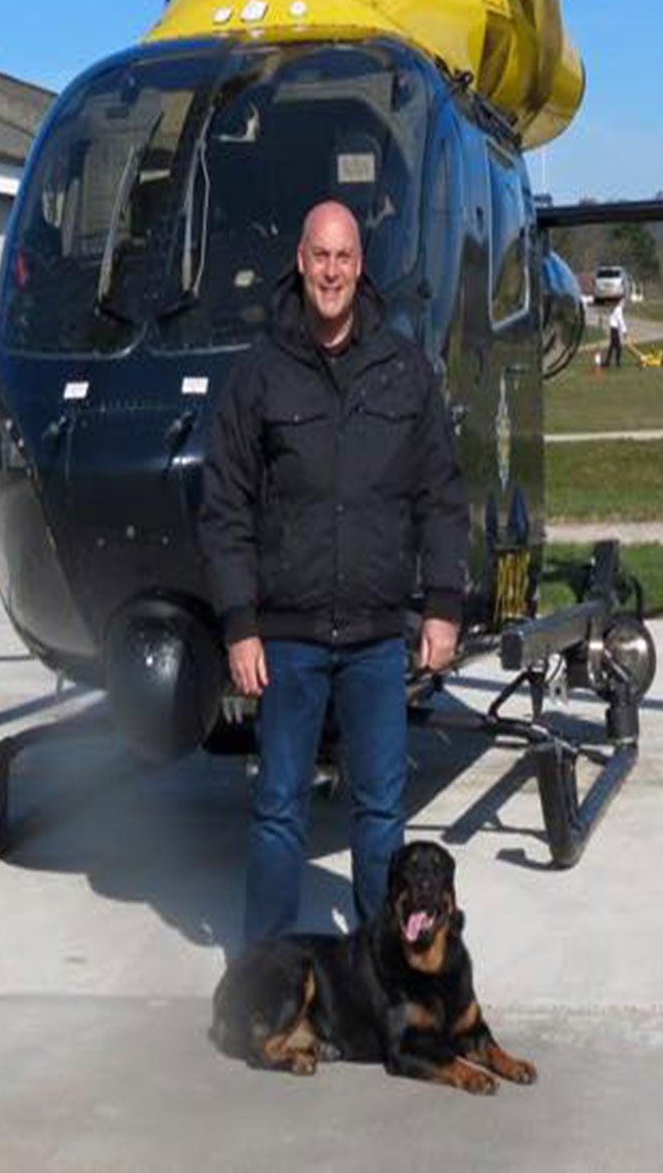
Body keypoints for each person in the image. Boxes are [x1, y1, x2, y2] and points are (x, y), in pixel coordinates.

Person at [198, 199, 468, 946]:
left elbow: (442, 495)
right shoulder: (260, 375)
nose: (332, 271)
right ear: (300, 261)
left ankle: (385, 965)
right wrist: (239, 624)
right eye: (320, 255)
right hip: (288, 640)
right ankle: (264, 970)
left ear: (360, 266)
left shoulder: (405, 370)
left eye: (344, 257)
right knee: (280, 806)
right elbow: (224, 506)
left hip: (379, 639)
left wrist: (444, 604)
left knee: (381, 808)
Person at [604, 291, 627, 369]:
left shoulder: (616, 308)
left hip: (613, 329)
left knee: (612, 346)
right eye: (623, 301)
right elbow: (620, 320)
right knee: (618, 347)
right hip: (614, 329)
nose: (624, 303)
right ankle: (617, 363)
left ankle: (607, 362)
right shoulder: (618, 309)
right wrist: (624, 331)